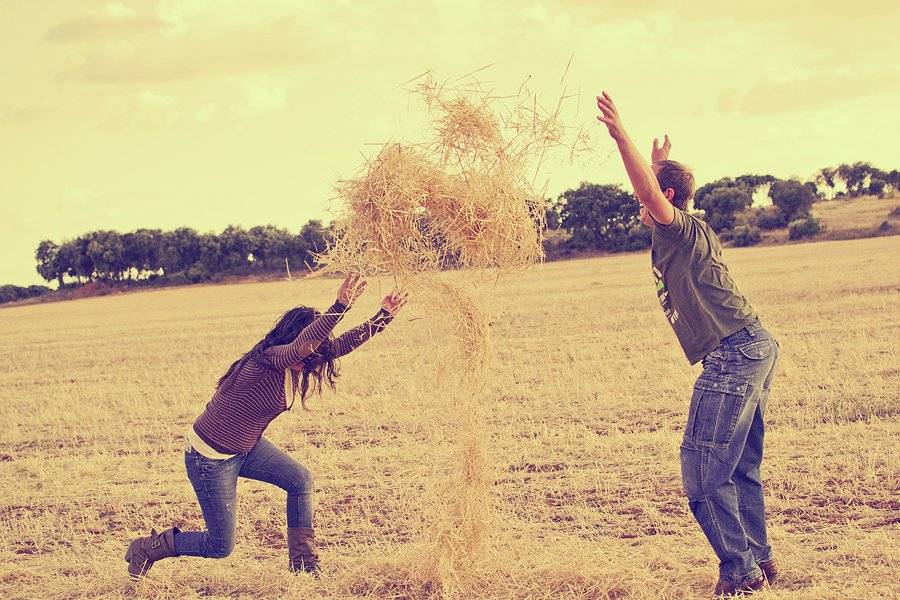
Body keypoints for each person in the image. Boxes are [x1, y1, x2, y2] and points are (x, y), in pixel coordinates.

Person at [596, 92, 780, 597]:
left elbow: (654, 196)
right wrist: (660, 165)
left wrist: (621, 137)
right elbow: (661, 192)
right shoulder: (686, 225)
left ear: (669, 198)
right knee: (738, 467)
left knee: (703, 475)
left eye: (650, 193)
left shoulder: (676, 229)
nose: (640, 201)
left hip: (733, 353)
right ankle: (758, 561)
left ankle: (741, 574)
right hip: (752, 344)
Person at [125, 273, 407, 578]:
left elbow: (341, 344)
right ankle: (146, 548)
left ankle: (303, 567)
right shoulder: (270, 358)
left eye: (317, 347)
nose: (312, 353)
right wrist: (340, 304)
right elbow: (302, 346)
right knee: (220, 545)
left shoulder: (302, 361)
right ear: (290, 338)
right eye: (309, 346)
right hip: (210, 458)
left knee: (300, 480)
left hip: (247, 448)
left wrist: (384, 316)